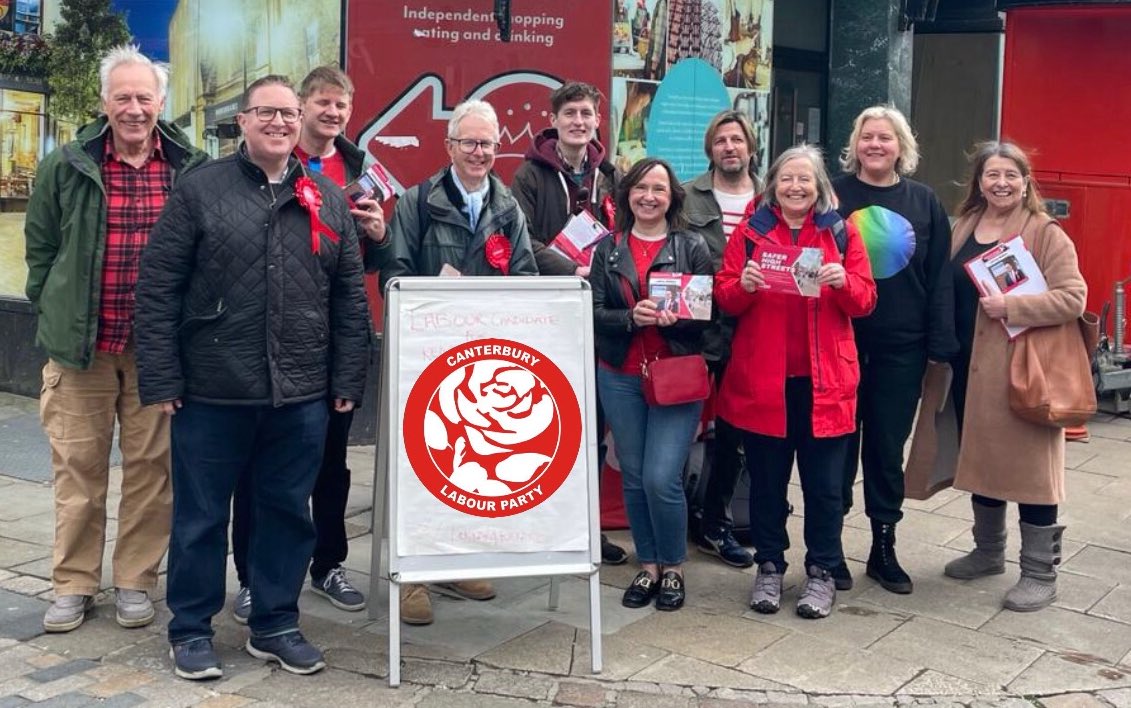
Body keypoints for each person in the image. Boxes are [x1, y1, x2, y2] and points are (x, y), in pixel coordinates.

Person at [135, 75, 370, 680]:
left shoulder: (327, 197)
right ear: (241, 121)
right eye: (266, 112)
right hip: (212, 389)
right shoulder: (199, 190)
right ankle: (190, 628)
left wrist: (346, 378)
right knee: (201, 516)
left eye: (289, 114)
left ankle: (275, 622)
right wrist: (161, 379)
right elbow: (158, 288)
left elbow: (349, 298)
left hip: (299, 394)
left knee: (287, 511)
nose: (280, 123)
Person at [23, 45, 207, 635]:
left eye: (143, 97)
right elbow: (41, 252)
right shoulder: (68, 164)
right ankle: (73, 583)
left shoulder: (190, 167)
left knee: (153, 472)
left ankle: (135, 581)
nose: (133, 108)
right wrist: (56, 307)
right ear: (105, 102)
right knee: (78, 472)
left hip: (158, 349)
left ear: (161, 103)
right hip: (83, 350)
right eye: (122, 97)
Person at [228, 65, 386, 623]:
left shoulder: (363, 167)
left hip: (329, 341)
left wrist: (378, 235)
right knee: (258, 468)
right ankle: (251, 576)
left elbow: (371, 266)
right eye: (322, 103)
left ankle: (327, 563)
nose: (333, 113)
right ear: (300, 107)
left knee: (332, 466)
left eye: (342, 105)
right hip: (269, 340)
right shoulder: (279, 165)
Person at [376, 99, 536, 625]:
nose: (479, 153)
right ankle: (413, 579)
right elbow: (392, 277)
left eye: (487, 144)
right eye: (468, 142)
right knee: (420, 466)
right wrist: (439, 299)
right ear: (449, 146)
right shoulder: (417, 201)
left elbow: (527, 279)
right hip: (426, 359)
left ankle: (457, 561)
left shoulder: (508, 207)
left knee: (468, 466)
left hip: (485, 363)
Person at [715, 145, 876, 620]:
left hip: (825, 382)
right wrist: (740, 286)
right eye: (787, 178)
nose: (795, 187)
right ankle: (769, 565)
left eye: (804, 179)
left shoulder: (841, 233)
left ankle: (822, 571)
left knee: (825, 487)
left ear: (819, 185)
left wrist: (842, 281)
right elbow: (724, 295)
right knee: (767, 483)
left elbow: (866, 300)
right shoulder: (751, 232)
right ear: (772, 184)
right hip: (765, 382)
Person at [943, 142, 1085, 612]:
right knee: (983, 460)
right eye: (991, 175)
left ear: (1026, 181)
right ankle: (988, 552)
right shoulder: (963, 225)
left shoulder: (1045, 233)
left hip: (1026, 369)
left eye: (1010, 175)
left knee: (1031, 473)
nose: (1000, 183)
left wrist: (1014, 306)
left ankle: (1040, 573)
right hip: (970, 366)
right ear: (978, 182)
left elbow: (1073, 298)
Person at [832, 105, 957, 594]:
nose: (876, 145)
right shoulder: (834, 196)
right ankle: (830, 548)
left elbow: (939, 278)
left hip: (901, 348)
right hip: (841, 342)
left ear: (901, 146)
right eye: (868, 138)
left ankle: (883, 547)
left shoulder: (924, 202)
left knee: (886, 449)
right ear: (855, 145)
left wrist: (940, 343)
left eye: (885, 138)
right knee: (836, 447)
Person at [511, 81, 628, 565]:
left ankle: (587, 528)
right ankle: (540, 527)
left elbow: (626, 233)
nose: (579, 121)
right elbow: (522, 240)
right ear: (554, 120)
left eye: (587, 113)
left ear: (597, 121)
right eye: (570, 114)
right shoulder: (529, 177)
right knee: (548, 424)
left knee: (594, 428)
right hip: (551, 316)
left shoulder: (612, 175)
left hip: (600, 319)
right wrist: (576, 269)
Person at [590, 157, 713, 613]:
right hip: (620, 376)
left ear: (671, 197)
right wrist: (629, 317)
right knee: (636, 477)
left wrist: (674, 318)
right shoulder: (610, 249)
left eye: (658, 189)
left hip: (674, 376)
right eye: (641, 187)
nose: (648, 196)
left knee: (663, 478)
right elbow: (595, 312)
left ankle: (674, 565)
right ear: (628, 195)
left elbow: (707, 318)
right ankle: (649, 565)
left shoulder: (692, 246)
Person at [682, 109, 762, 569]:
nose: (729, 147)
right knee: (683, 430)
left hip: (751, 334)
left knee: (735, 435)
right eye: (720, 141)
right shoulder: (687, 196)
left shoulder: (773, 198)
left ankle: (718, 522)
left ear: (750, 148)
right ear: (710, 149)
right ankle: (681, 518)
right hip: (696, 332)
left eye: (736, 140)